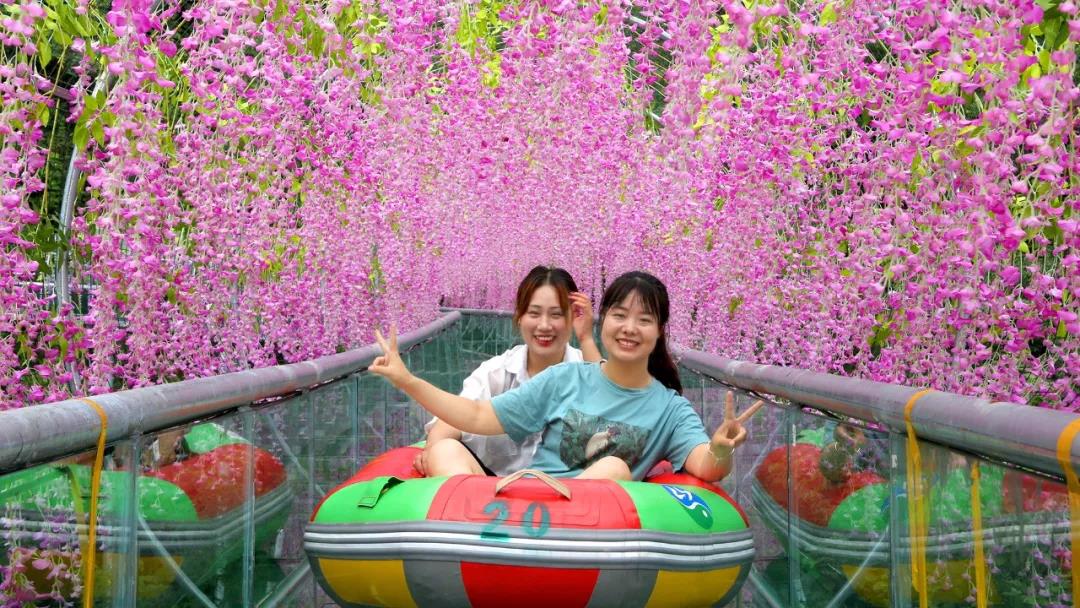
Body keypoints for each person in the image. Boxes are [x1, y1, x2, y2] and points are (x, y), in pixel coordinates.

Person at [371, 271, 762, 481]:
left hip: (585, 533)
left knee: (613, 467)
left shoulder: (670, 410)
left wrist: (721, 448)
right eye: (620, 315)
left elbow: (706, 466)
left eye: (644, 320)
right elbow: (477, 416)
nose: (629, 328)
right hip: (526, 504)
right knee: (445, 451)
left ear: (659, 332)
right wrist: (409, 382)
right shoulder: (566, 378)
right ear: (603, 321)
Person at [416, 265, 602, 476]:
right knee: (444, 450)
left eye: (556, 314)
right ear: (520, 316)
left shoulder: (585, 367)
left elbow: (611, 412)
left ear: (573, 318)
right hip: (493, 492)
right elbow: (454, 419)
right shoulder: (498, 371)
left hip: (568, 490)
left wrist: (586, 338)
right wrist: (433, 450)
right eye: (534, 313)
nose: (544, 325)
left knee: (611, 466)